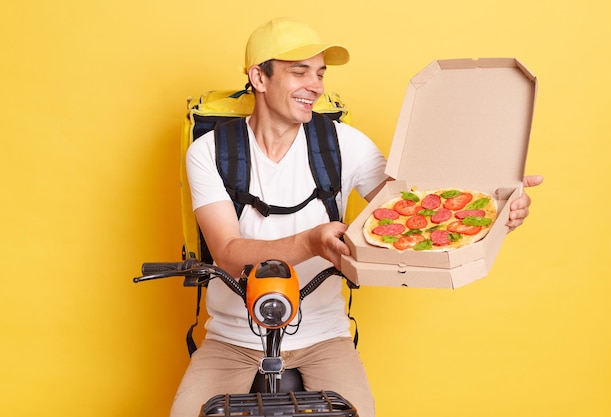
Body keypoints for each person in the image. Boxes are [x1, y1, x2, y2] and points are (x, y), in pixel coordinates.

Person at [173, 17, 543, 417]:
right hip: (231, 338)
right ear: (258, 78)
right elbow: (228, 252)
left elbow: (411, 209)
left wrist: (490, 201)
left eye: (319, 73)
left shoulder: (343, 144)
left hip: (325, 337)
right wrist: (310, 241)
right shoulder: (210, 151)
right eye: (299, 72)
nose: (315, 85)